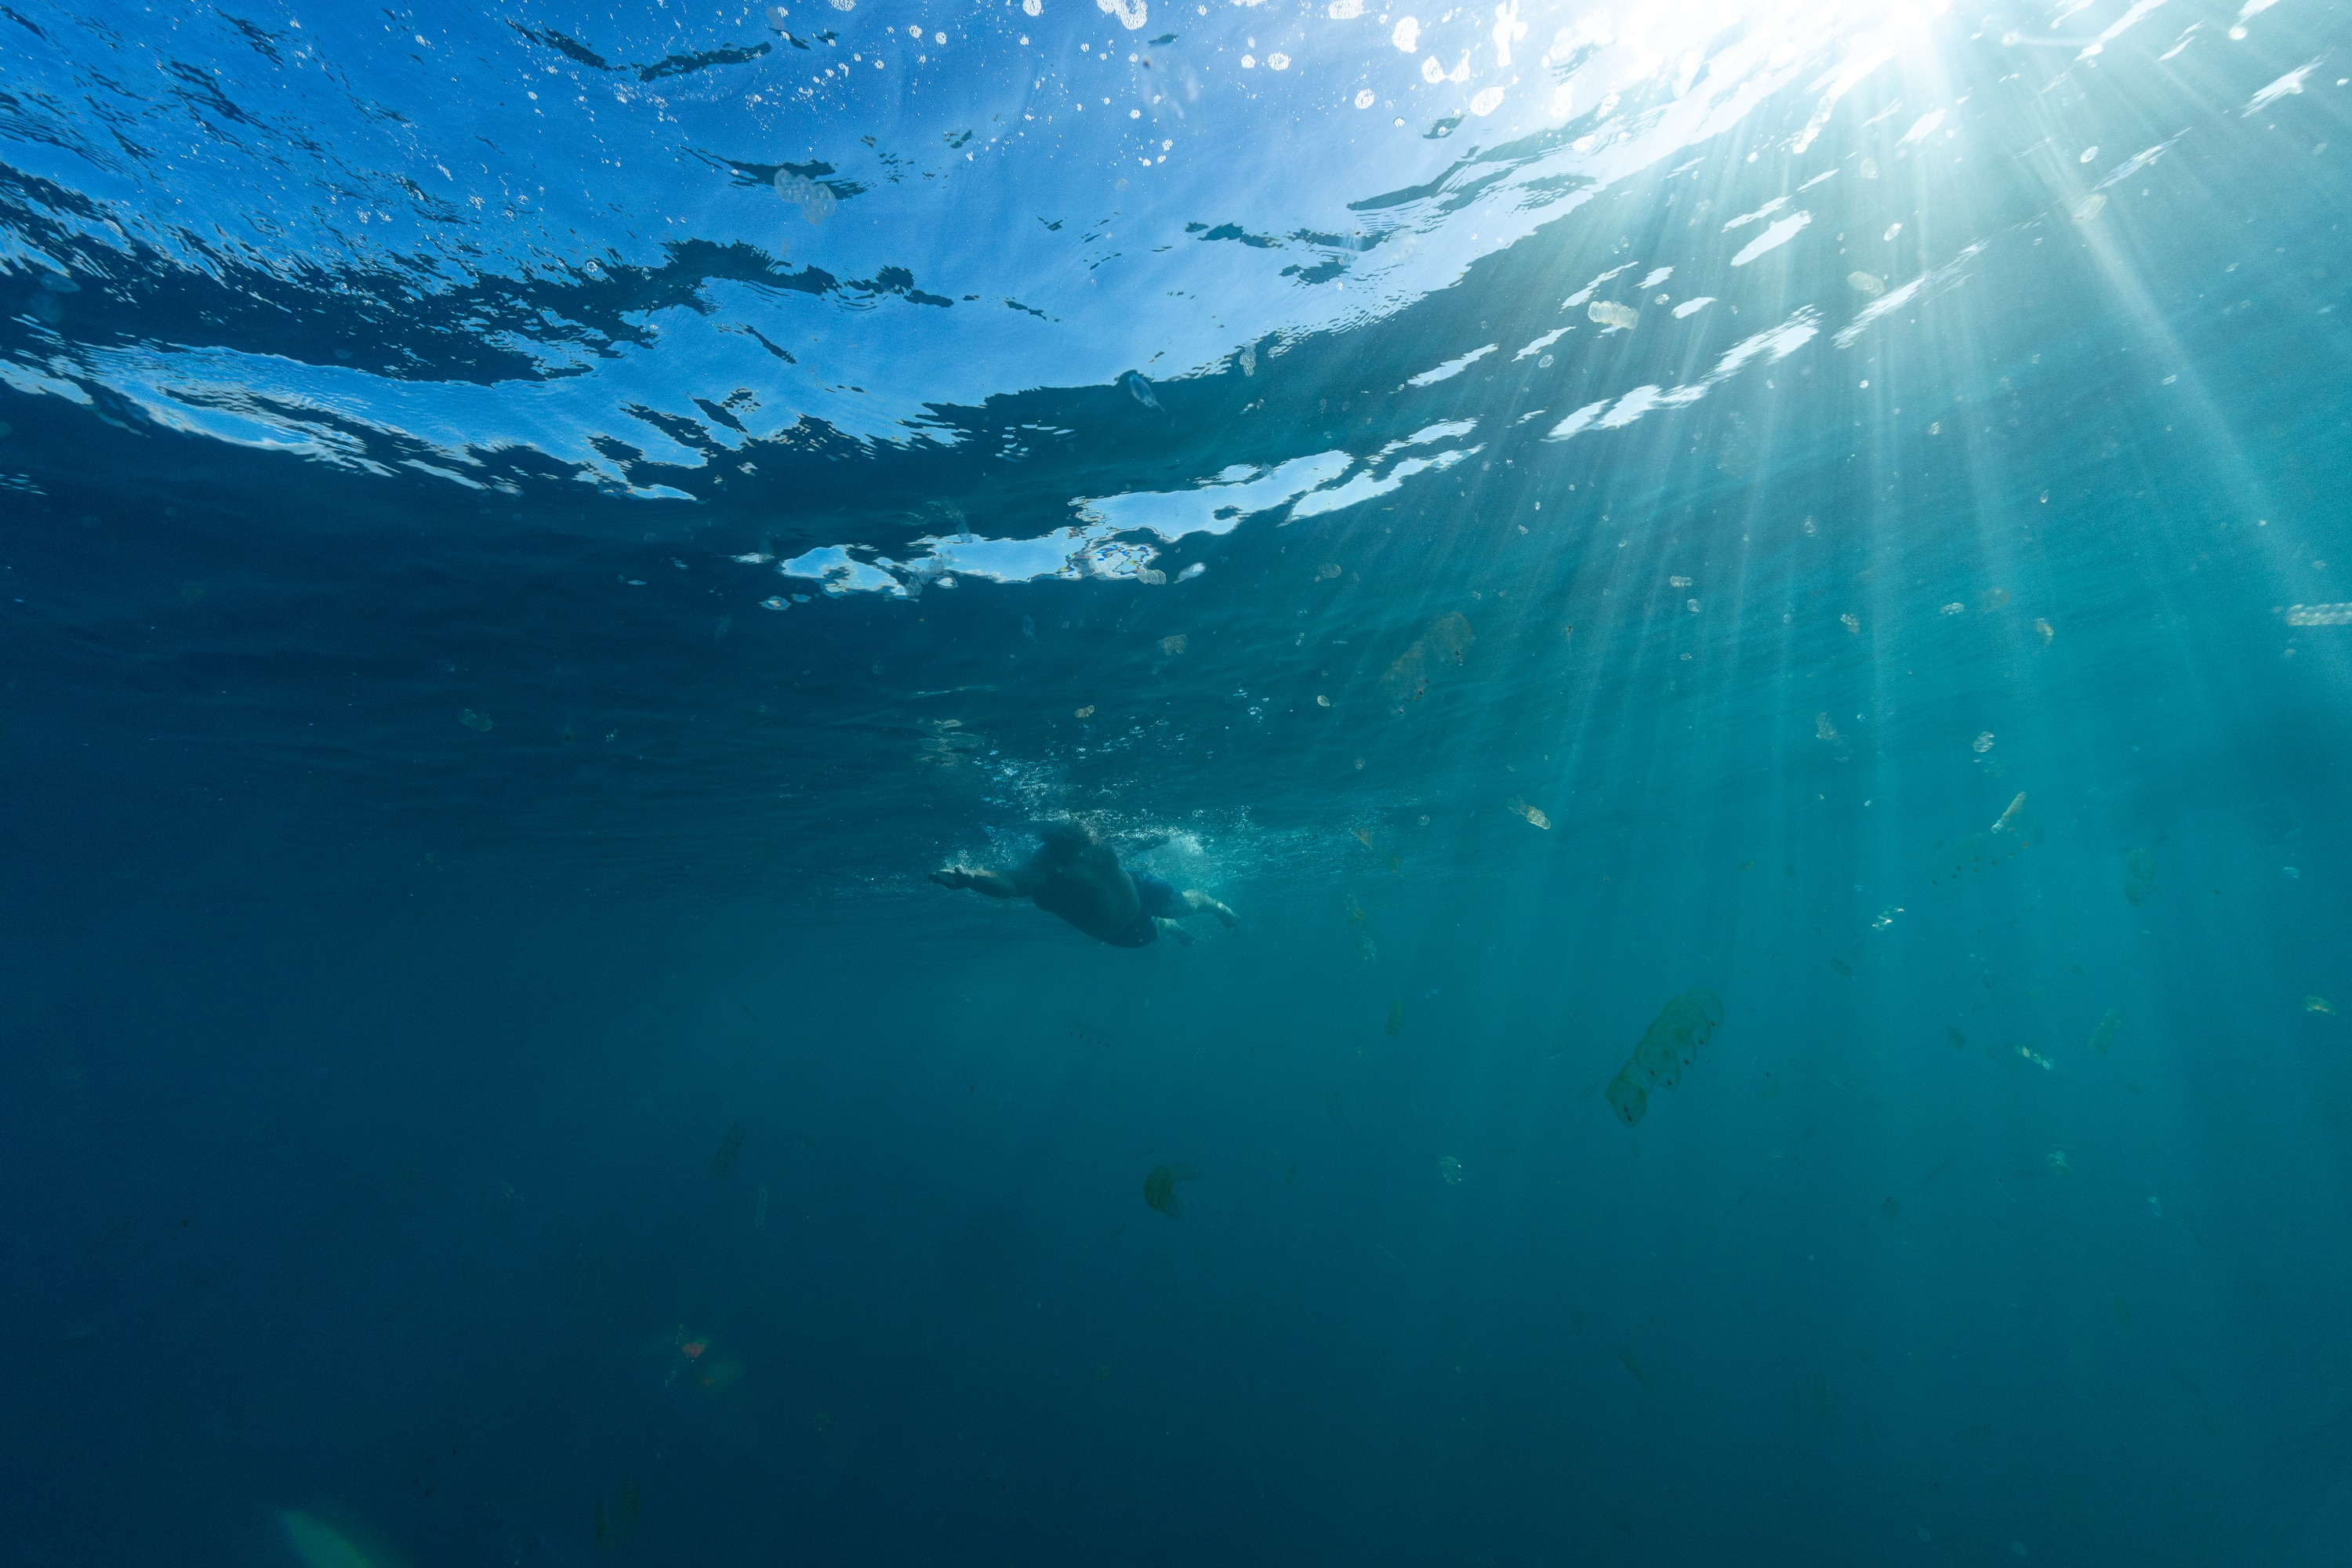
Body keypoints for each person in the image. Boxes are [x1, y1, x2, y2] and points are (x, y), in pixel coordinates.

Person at [930, 821, 1239, 948]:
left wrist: (1158, 836)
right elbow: (1008, 882)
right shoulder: (1044, 871)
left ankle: (1212, 906)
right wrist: (971, 878)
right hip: (1125, 931)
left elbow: (1127, 846)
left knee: (1183, 907)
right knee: (1157, 929)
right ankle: (1166, 927)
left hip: (1138, 885)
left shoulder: (1095, 846)